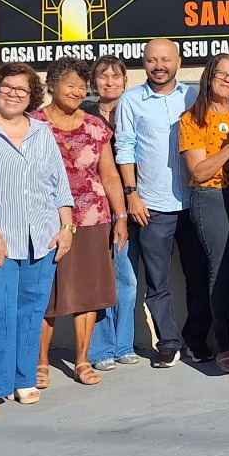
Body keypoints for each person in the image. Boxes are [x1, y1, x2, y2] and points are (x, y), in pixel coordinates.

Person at [0, 63, 75, 418]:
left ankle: (24, 379)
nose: (13, 94)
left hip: (42, 237)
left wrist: (66, 228)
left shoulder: (41, 132)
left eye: (22, 90)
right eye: (7, 87)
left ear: (32, 96)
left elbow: (59, 184)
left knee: (32, 310)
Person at [33, 58, 128, 388]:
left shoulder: (95, 127)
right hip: (44, 220)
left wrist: (121, 217)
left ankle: (83, 360)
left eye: (81, 85)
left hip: (92, 219)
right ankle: (40, 362)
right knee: (45, 293)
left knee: (87, 293)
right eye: (69, 84)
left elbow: (110, 175)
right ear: (51, 86)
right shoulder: (33, 125)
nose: (77, 91)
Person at [115, 38, 209, 367]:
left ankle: (197, 339)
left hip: (195, 203)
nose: (159, 65)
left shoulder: (195, 96)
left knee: (200, 277)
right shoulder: (130, 101)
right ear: (143, 63)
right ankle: (168, 341)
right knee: (157, 281)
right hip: (151, 206)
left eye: (165, 59)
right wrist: (131, 193)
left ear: (179, 62)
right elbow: (124, 148)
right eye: (152, 59)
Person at [179, 53, 229, 375]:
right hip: (210, 197)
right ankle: (225, 344)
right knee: (221, 269)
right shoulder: (192, 119)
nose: (226, 80)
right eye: (220, 74)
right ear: (209, 77)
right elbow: (197, 170)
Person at [82, 55, 142, 371]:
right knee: (101, 280)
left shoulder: (132, 111)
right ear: (94, 83)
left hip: (131, 205)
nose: (110, 83)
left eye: (116, 77)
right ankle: (100, 349)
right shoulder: (85, 115)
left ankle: (124, 345)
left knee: (127, 280)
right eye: (103, 77)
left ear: (124, 81)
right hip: (95, 209)